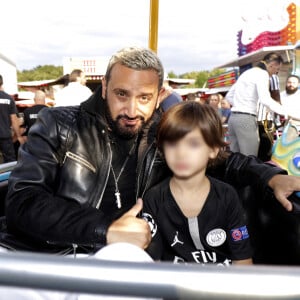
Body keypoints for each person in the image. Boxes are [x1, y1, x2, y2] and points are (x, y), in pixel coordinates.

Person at [3, 46, 300, 257]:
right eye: (121, 94)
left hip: (116, 259)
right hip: (36, 255)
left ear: (159, 96)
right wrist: (104, 229)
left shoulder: (163, 132)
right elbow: (22, 202)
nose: (131, 109)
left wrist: (270, 176)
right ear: (104, 87)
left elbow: (221, 159)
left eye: (144, 97)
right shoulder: (58, 123)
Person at [142, 102, 253, 265]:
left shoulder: (227, 196)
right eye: (172, 144)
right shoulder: (154, 198)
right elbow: (154, 264)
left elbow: (243, 261)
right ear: (162, 149)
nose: (181, 153)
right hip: (175, 287)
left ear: (213, 149)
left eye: (193, 144)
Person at [226, 52, 299, 156]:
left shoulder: (247, 73)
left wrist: (240, 106)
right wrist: (287, 113)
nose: (275, 73)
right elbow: (265, 99)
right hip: (246, 120)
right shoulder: (262, 74)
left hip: (233, 119)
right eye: (277, 70)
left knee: (235, 158)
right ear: (272, 65)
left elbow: (229, 96)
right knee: (249, 159)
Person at [0, 75, 25, 163]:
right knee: (10, 162)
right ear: (2, 83)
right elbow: (14, 119)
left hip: (5, 135)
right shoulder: (8, 98)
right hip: (5, 135)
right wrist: (18, 136)